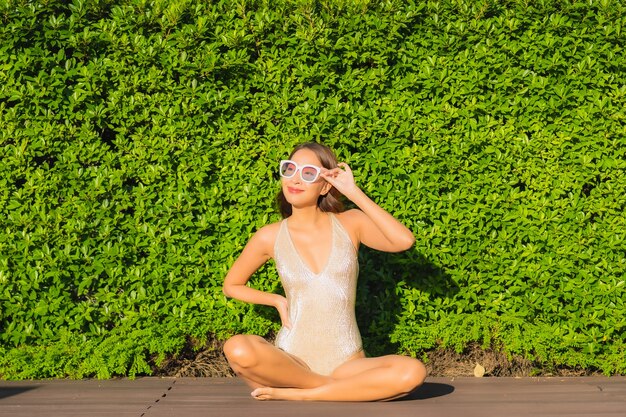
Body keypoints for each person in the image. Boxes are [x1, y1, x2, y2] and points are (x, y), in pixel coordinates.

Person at [222, 142, 427, 401]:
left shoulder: (351, 223)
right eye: (290, 169)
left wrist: (353, 192)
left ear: (326, 185)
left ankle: (303, 394)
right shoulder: (269, 236)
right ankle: (331, 389)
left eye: (308, 173)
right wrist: (274, 299)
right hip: (291, 361)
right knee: (237, 348)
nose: (295, 179)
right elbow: (232, 285)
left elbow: (403, 241)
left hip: (348, 363)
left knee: (412, 371)